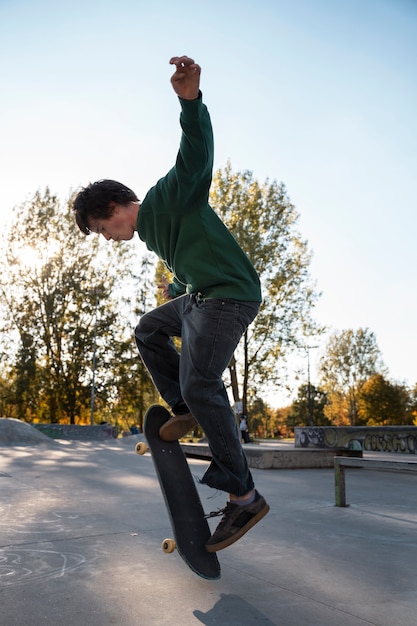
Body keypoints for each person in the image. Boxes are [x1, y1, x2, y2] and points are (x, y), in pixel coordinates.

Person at [72, 55, 269, 552]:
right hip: (201, 296)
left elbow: (196, 153)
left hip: (228, 297)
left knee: (202, 380)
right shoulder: (154, 234)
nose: (108, 239)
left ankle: (244, 497)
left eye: (102, 229)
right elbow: (190, 263)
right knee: (148, 327)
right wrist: (178, 289)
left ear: (113, 209)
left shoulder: (168, 198)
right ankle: (184, 408)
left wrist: (190, 102)